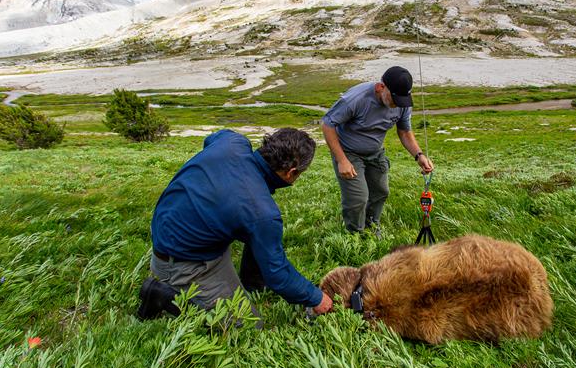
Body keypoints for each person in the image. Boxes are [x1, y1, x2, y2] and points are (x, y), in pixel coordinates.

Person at [137, 128, 333, 321]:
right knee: (247, 326)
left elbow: (210, 140)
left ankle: (253, 283)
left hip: (171, 233)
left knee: (255, 231)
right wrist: (315, 297)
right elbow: (278, 274)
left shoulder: (231, 141)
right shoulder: (262, 212)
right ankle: (163, 295)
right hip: (183, 264)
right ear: (291, 172)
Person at [322, 66, 434, 234]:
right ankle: (355, 236)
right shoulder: (355, 99)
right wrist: (342, 160)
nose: (397, 104)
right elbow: (328, 125)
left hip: (376, 152)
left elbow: (404, 131)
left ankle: (372, 227)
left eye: (402, 100)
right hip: (349, 153)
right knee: (358, 198)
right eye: (394, 98)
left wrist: (419, 155)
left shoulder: (402, 102)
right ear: (380, 87)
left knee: (381, 192)